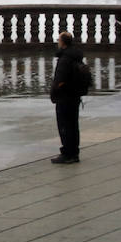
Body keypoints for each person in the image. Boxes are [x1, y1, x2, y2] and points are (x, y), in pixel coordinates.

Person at [48, 31, 84, 164]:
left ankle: (67, 153)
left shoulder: (65, 59)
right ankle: (74, 153)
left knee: (65, 126)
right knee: (74, 125)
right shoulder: (76, 57)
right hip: (75, 96)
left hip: (65, 97)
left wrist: (55, 91)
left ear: (62, 43)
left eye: (59, 40)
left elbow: (60, 79)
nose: (58, 42)